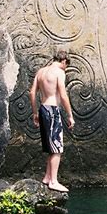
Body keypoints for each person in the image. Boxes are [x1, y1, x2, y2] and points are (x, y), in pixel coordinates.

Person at [29, 50, 74, 192]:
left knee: (50, 147)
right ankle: (54, 181)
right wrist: (70, 115)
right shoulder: (59, 72)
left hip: (42, 109)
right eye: (66, 65)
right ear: (64, 61)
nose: (65, 68)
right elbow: (63, 94)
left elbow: (32, 92)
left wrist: (35, 112)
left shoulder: (41, 71)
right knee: (57, 148)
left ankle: (47, 177)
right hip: (53, 110)